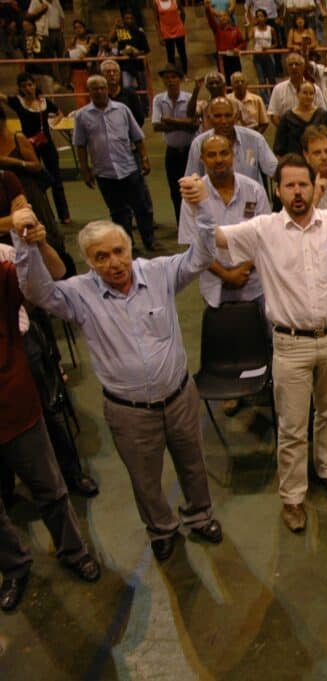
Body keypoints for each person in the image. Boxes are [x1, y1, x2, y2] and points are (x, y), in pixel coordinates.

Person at [197, 151, 327, 532]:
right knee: (292, 426)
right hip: (290, 345)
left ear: (316, 188)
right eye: (289, 185)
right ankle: (293, 497)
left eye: (304, 184)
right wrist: (197, 205)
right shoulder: (261, 230)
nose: (297, 192)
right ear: (277, 190)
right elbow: (212, 242)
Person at [15, 203, 225, 562]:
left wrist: (200, 208)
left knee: (193, 464)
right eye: (101, 256)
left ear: (129, 250)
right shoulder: (80, 294)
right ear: (88, 261)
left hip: (179, 397)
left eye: (118, 251)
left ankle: (200, 515)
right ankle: (162, 529)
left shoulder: (158, 273)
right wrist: (25, 245)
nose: (113, 262)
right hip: (129, 412)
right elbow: (37, 292)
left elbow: (203, 255)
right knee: (145, 479)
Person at [1, 224, 100, 613]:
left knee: (50, 488)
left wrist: (31, 242)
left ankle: (73, 551)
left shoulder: (3, 271)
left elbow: (40, 286)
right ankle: (13, 566)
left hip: (14, 407)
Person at [177, 134, 267, 310]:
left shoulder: (254, 190)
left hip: (254, 284)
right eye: (212, 155)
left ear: (233, 154)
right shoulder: (192, 197)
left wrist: (243, 269)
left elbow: (265, 236)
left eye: (224, 153)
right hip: (215, 288)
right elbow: (194, 246)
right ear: (202, 159)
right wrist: (227, 275)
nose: (219, 159)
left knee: (262, 335)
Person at [74, 75, 157, 251]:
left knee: (142, 207)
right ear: (89, 92)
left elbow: (137, 137)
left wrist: (144, 158)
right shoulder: (82, 116)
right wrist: (85, 169)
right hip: (105, 173)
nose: (99, 92)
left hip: (129, 168)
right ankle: (127, 244)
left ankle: (149, 239)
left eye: (102, 88)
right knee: (118, 213)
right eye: (94, 88)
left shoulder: (122, 110)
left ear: (107, 89)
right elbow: (80, 145)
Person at [5, 73, 69, 224]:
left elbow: (59, 112)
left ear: (35, 85)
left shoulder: (43, 102)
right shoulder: (17, 102)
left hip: (46, 144)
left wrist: (55, 122)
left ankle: (64, 214)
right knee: (37, 182)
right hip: (29, 147)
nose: (28, 88)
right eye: (24, 86)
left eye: (30, 84)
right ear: (20, 88)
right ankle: (43, 214)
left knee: (56, 179)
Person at [186, 97, 278, 182]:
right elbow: (192, 179)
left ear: (236, 116)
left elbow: (274, 170)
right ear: (209, 118)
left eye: (228, 115)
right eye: (218, 116)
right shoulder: (199, 144)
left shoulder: (255, 139)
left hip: (250, 198)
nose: (224, 121)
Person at [152, 64, 198, 225]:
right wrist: (184, 124)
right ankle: (182, 224)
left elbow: (194, 125)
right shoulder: (159, 99)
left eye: (174, 77)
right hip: (172, 152)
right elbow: (157, 126)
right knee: (175, 190)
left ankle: (196, 222)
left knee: (194, 187)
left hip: (189, 151)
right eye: (167, 77)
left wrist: (170, 120)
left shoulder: (189, 98)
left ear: (180, 79)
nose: (170, 80)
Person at [268, 53, 327, 127]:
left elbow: (322, 113)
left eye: (297, 64)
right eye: (290, 64)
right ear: (286, 68)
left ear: (303, 67)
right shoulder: (278, 89)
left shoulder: (315, 89)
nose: (294, 67)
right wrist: (283, 130)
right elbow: (273, 115)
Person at [274, 81, 327, 156]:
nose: (308, 96)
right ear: (297, 94)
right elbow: (280, 146)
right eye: (305, 93)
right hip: (295, 161)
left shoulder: (322, 115)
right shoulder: (287, 117)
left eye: (311, 93)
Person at [111, 11, 150, 92]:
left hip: (139, 65)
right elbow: (111, 39)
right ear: (123, 20)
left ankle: (145, 104)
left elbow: (146, 50)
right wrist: (115, 26)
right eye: (127, 18)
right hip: (125, 65)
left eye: (131, 18)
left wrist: (136, 52)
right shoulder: (121, 32)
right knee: (126, 87)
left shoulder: (139, 32)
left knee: (143, 88)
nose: (129, 20)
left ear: (134, 20)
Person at [101, 59, 146, 126]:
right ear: (102, 75)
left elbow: (140, 120)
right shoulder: (99, 96)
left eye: (115, 71)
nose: (112, 74)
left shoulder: (131, 94)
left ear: (119, 74)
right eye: (108, 72)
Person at [250, 8, 276, 105]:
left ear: (265, 17)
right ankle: (266, 101)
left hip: (269, 56)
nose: (260, 18)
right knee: (261, 79)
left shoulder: (271, 29)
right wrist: (248, 26)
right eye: (258, 16)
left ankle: (274, 100)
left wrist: (269, 48)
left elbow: (276, 43)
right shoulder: (254, 29)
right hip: (258, 56)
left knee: (271, 78)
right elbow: (248, 38)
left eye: (262, 16)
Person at [154, 0, 188, 74]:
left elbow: (183, 13)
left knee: (182, 53)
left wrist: (181, 25)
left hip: (178, 29)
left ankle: (185, 74)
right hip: (166, 31)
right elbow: (156, 19)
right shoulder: (156, 2)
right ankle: (173, 75)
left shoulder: (176, 0)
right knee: (170, 54)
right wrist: (159, 35)